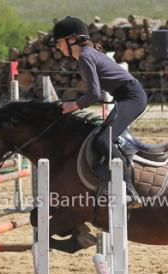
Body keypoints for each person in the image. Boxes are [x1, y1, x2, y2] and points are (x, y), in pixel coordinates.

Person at [51, 16, 146, 208]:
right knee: (100, 136)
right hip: (126, 96)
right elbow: (102, 89)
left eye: (59, 42)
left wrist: (73, 106)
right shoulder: (87, 54)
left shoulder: (86, 57)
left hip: (132, 97)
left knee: (103, 140)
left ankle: (128, 190)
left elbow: (93, 94)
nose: (57, 47)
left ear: (71, 40)